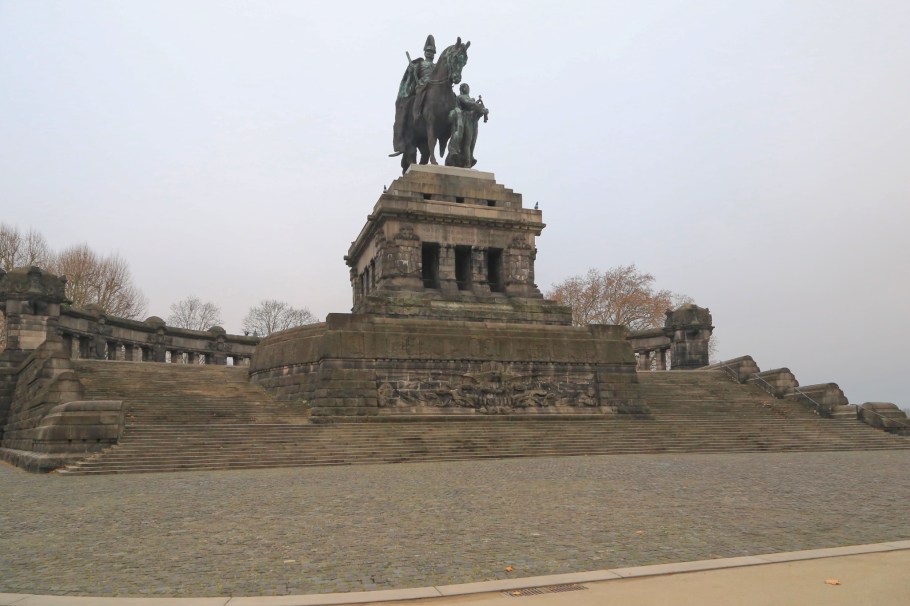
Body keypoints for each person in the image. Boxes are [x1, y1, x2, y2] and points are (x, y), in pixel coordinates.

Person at [391, 35, 436, 157]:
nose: (430, 53)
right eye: (428, 51)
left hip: (435, 87)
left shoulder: (436, 66)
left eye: (432, 51)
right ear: (425, 52)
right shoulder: (420, 64)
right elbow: (412, 77)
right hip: (422, 87)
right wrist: (412, 71)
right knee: (417, 97)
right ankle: (416, 114)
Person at [447, 83, 489, 167]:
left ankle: (469, 158)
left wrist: (484, 110)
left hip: (473, 121)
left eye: (467, 87)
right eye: (465, 87)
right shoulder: (460, 97)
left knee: (472, 142)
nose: (467, 88)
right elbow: (469, 104)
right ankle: (467, 162)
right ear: (462, 89)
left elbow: (473, 106)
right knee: (467, 142)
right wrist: (480, 107)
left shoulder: (471, 99)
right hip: (464, 120)